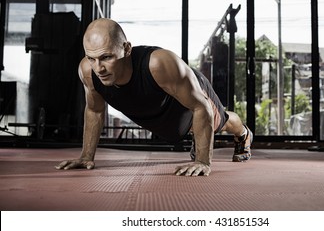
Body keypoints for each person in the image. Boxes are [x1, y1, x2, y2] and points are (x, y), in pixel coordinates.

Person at [55, 18, 253, 176]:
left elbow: (201, 107)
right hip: (156, 110)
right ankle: (198, 136)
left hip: (189, 98)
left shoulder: (159, 64)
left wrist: (202, 161)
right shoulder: (88, 71)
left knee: (221, 123)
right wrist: (86, 157)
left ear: (126, 49)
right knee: (186, 130)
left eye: (107, 57)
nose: (99, 68)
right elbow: (95, 110)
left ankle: (244, 134)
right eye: (92, 58)